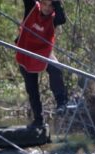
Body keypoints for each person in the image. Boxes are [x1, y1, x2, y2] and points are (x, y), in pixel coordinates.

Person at [16, 0, 68, 129]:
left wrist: (56, 3)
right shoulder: (32, 7)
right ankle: (38, 120)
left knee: (56, 67)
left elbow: (62, 19)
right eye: (44, 4)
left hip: (44, 51)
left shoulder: (54, 18)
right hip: (26, 51)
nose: (46, 8)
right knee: (32, 88)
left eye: (50, 6)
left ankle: (61, 102)